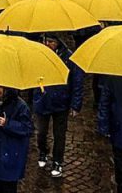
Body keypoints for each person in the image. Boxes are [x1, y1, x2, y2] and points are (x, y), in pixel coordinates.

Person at [34, 36, 84, 178]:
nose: (48, 44)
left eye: (51, 42)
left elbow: (77, 81)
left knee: (59, 135)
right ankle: (43, 151)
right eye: (46, 41)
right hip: (43, 101)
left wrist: (75, 104)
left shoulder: (68, 58)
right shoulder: (38, 55)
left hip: (61, 103)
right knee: (41, 133)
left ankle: (57, 161)